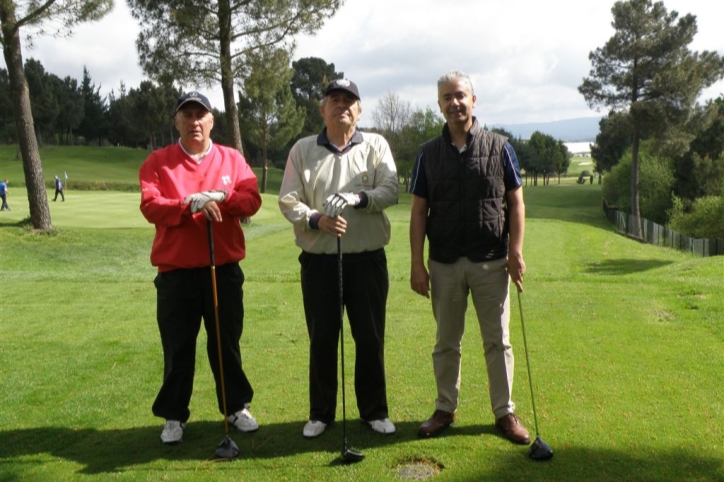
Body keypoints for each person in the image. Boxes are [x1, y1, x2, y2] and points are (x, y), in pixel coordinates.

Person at [409, 70, 530, 445]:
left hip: (491, 261)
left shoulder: (499, 147)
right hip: (444, 263)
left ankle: (504, 413)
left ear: (473, 100)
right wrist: (417, 263)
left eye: (460, 95)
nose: (454, 103)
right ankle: (445, 408)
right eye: (446, 97)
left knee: (498, 342)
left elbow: (516, 202)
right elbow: (418, 211)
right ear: (439, 105)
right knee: (446, 342)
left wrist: (515, 251)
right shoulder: (427, 154)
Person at [139, 91, 262, 445]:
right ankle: (174, 416)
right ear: (176, 121)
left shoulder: (232, 159)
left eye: (201, 115)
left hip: (222, 269)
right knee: (178, 347)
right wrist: (189, 204)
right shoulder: (159, 161)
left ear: (212, 121)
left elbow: (251, 198)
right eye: (187, 115)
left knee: (226, 343)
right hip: (176, 273)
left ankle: (236, 407)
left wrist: (222, 197)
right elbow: (151, 205)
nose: (194, 121)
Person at [278, 79, 399, 439]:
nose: (342, 105)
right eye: (334, 99)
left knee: (370, 337)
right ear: (322, 108)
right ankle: (321, 413)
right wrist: (318, 220)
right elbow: (288, 200)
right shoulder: (302, 149)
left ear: (359, 111)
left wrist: (357, 199)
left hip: (367, 260)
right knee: (322, 338)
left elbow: (390, 190)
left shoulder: (375, 145)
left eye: (349, 100)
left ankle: (374, 411)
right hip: (320, 262)